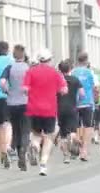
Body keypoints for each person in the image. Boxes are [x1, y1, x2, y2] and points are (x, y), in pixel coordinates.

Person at [22, 48, 67, 176]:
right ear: (50, 60)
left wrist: (34, 91)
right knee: (48, 136)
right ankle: (43, 164)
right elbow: (64, 90)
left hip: (33, 108)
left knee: (36, 134)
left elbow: (25, 89)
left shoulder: (30, 72)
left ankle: (34, 146)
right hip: (49, 109)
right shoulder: (55, 73)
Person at [0, 44, 30, 171]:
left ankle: (15, 151)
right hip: (26, 102)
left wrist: (7, 90)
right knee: (25, 129)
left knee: (16, 128)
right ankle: (23, 150)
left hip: (12, 102)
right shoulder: (28, 68)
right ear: (23, 55)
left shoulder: (9, 67)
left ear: (13, 55)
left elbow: (2, 82)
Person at [71, 52, 97, 161]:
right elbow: (95, 87)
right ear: (86, 61)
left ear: (77, 61)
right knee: (88, 127)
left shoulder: (73, 72)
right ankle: (84, 151)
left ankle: (77, 142)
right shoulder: (90, 72)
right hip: (87, 102)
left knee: (77, 126)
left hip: (76, 103)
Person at [57, 59, 82, 164]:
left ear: (59, 69)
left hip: (60, 108)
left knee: (62, 134)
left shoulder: (57, 80)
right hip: (72, 108)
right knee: (72, 131)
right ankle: (71, 138)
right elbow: (82, 94)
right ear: (70, 69)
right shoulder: (75, 80)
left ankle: (66, 156)